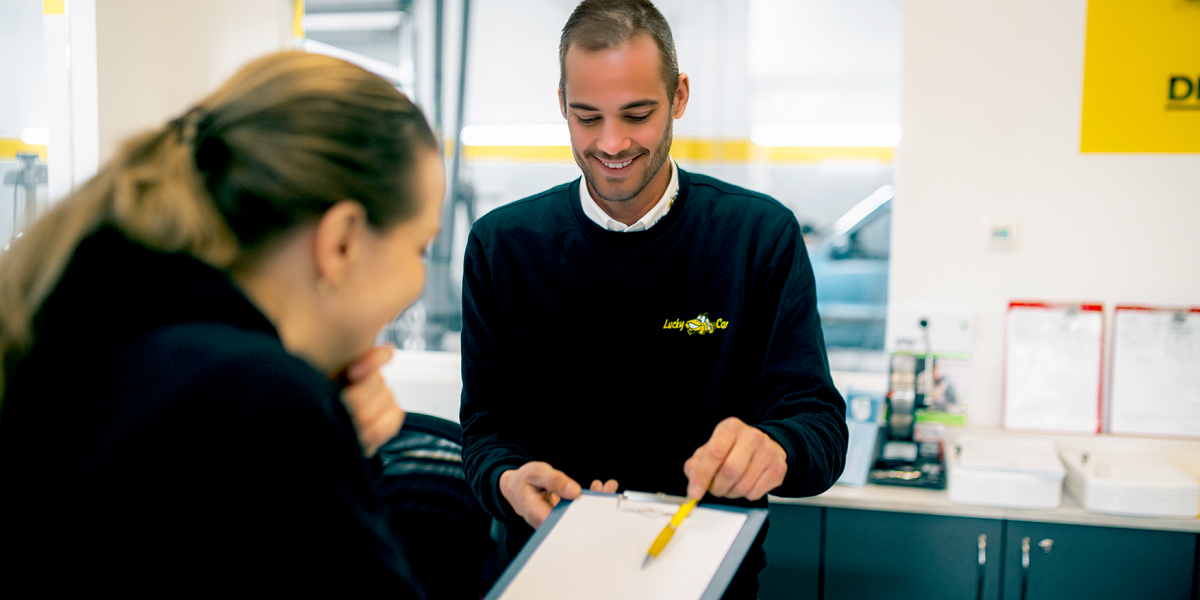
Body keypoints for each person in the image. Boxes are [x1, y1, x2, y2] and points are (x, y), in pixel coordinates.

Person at [0, 52, 444, 595]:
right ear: (343, 242)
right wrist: (317, 440)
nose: (418, 280)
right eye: (420, 248)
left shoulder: (83, 325)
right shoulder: (253, 395)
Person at [459, 0, 848, 596]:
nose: (612, 142)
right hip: (548, 575)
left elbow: (819, 427)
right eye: (587, 117)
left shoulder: (756, 237)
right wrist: (507, 480)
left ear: (679, 96)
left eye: (637, 115)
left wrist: (777, 448)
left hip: (709, 583)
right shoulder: (502, 246)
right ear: (561, 102)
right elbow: (486, 430)